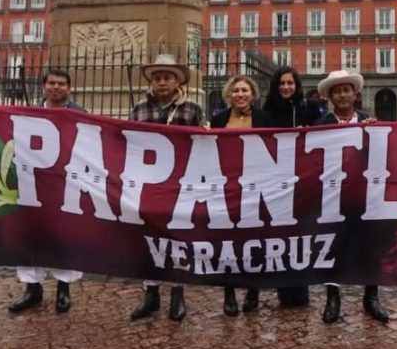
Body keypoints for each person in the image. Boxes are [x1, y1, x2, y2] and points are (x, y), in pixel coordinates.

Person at [129, 54, 206, 322]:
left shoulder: (192, 109)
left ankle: (177, 292)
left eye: (168, 78)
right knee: (146, 236)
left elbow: (203, 144)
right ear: (152, 82)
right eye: (158, 78)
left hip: (180, 183)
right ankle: (150, 293)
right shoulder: (139, 109)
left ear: (177, 82)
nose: (162, 82)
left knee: (177, 236)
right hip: (148, 183)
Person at [8, 69, 85, 315]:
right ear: (44, 87)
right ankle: (32, 288)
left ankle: (64, 287)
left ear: (69, 88)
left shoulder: (80, 115)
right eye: (51, 83)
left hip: (66, 183)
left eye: (61, 83)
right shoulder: (29, 114)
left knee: (65, 234)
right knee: (30, 234)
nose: (56, 87)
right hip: (33, 182)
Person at [315, 69, 389, 324]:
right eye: (337, 91)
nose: (342, 95)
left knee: (370, 244)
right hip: (332, 195)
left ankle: (371, 296)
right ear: (330, 97)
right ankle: (333, 298)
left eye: (346, 90)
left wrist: (374, 133)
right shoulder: (321, 124)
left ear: (355, 95)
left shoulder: (370, 122)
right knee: (334, 245)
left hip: (365, 193)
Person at [210, 75, 272, 316]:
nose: (240, 94)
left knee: (254, 238)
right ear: (229, 94)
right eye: (235, 90)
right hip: (227, 185)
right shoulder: (218, 120)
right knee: (227, 239)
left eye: (245, 90)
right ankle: (229, 292)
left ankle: (253, 289)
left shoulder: (265, 119)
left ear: (253, 94)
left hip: (256, 185)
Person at [260, 66, 314, 308]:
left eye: (290, 83)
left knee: (300, 234)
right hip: (274, 179)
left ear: (296, 85)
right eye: (282, 83)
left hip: (302, 180)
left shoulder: (308, 109)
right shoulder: (266, 112)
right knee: (279, 234)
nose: (286, 87)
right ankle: (283, 287)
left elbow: (326, 131)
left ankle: (300, 288)